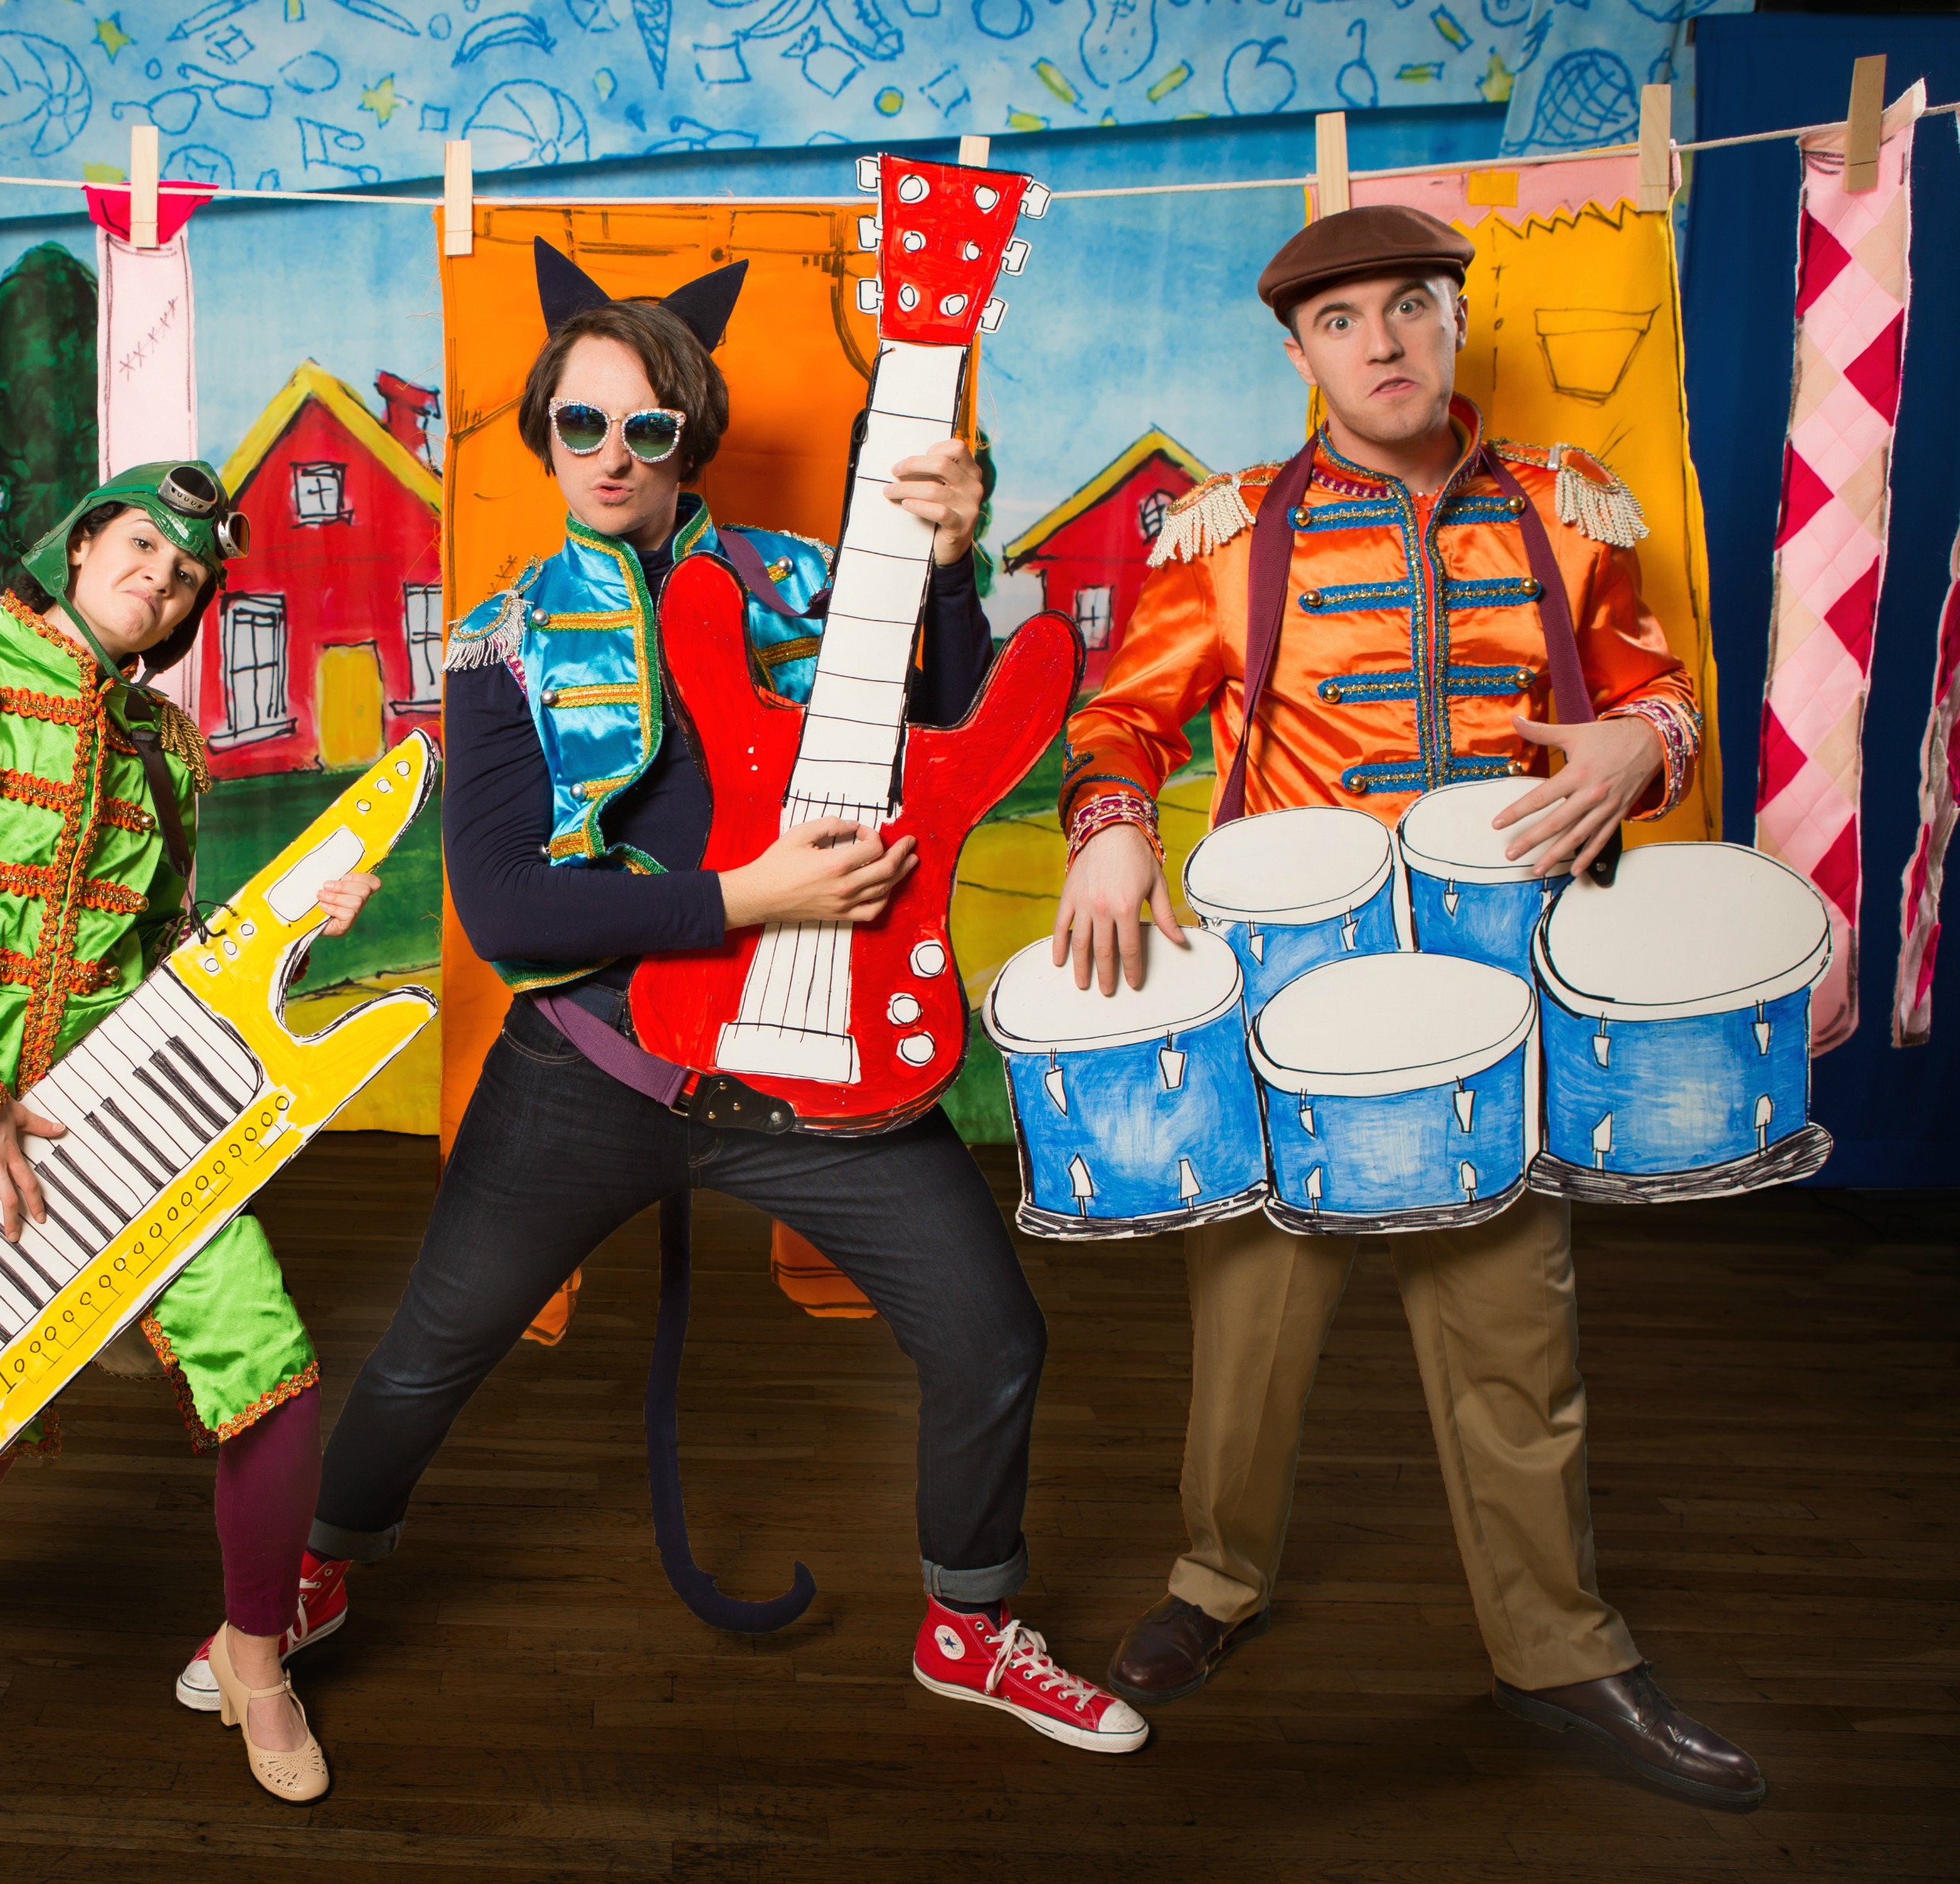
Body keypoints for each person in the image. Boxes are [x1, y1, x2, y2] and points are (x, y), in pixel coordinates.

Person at [173, 241, 1147, 1755]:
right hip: (593, 1070)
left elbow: (958, 733)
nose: (613, 454)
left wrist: (951, 569)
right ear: (544, 435)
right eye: (582, 423)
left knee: (992, 1334)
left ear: (691, 436)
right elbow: (504, 906)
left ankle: (969, 1620)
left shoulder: (817, 584)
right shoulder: (500, 638)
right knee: (430, 1348)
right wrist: (743, 899)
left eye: (648, 426)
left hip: (821, 1067)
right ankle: (310, 1574)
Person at [1050, 205, 1762, 1806]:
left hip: (1493, 1002)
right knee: (1251, 1330)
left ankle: (1557, 1648)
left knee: (1515, 1328)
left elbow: (1656, 694)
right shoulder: (1229, 534)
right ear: (1297, 352)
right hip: (1288, 999)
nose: (1379, 342)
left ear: (1452, 320)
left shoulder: (1569, 514)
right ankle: (1213, 1581)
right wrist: (1108, 831)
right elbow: (1121, 721)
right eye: (1339, 320)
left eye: (1408, 307)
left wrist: (1643, 744)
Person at [0, 463, 379, 1803]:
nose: (159, 580)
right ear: (84, 538)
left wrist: (295, 922)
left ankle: (256, 1653)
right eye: (144, 546)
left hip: (129, 1115)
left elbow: (165, 952)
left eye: (186, 577)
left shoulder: (164, 747)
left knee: (270, 1366)